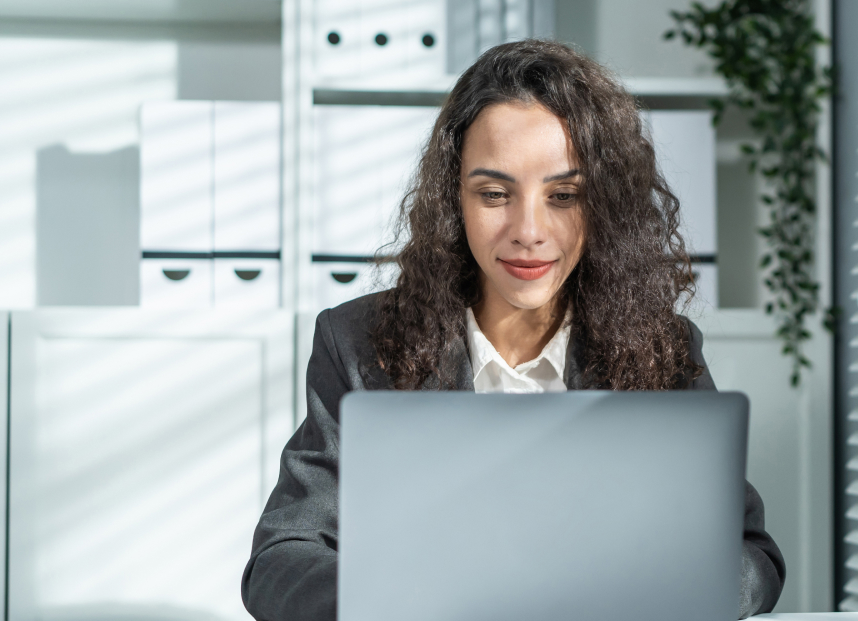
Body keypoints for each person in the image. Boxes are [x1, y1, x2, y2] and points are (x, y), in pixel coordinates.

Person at [241, 39, 785, 620]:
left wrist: (647, 590)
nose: (529, 230)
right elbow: (282, 558)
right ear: (454, 197)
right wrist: (400, 605)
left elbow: (751, 558)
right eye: (495, 194)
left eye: (564, 195)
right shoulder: (357, 342)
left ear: (602, 203)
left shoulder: (661, 349)